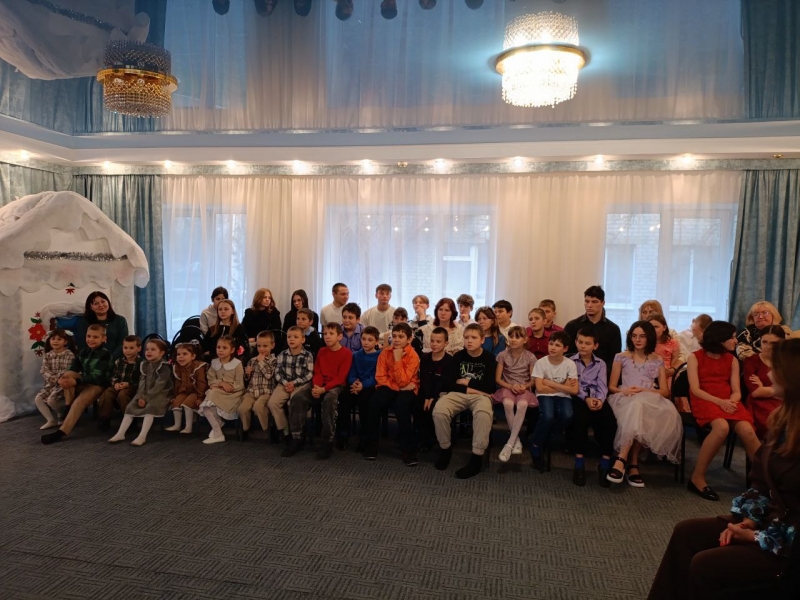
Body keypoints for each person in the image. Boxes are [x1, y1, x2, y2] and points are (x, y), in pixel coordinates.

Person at [646, 338, 800, 600]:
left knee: (705, 566)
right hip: (769, 522)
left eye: (776, 369)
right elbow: (761, 483)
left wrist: (756, 536)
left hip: (787, 547)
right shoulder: (783, 422)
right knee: (686, 533)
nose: (769, 374)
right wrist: (749, 519)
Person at [687, 320, 761, 501]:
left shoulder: (732, 360)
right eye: (732, 337)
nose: (736, 341)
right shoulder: (695, 357)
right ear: (720, 339)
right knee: (721, 427)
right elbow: (695, 389)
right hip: (705, 399)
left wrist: (730, 402)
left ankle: (765, 481)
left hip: (728, 400)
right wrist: (720, 402)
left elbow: (736, 391)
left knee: (747, 430)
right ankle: (697, 478)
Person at [606, 321, 682, 487]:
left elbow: (664, 391)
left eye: (642, 336)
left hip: (648, 397)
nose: (637, 340)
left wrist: (645, 390)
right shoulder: (621, 356)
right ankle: (632, 464)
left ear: (649, 338)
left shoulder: (657, 359)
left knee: (641, 407)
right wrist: (624, 391)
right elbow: (611, 387)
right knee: (636, 407)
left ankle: (622, 459)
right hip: (625, 397)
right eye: (634, 336)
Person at [432, 323, 497, 479]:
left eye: (474, 337)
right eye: (466, 337)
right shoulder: (458, 356)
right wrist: (474, 388)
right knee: (439, 410)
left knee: (483, 414)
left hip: (480, 397)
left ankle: (477, 458)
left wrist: (467, 382)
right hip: (459, 393)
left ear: (482, 340)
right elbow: (449, 383)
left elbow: (490, 387)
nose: (469, 341)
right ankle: (445, 449)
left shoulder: (489, 358)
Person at [284, 323, 352, 460]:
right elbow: (318, 371)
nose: (327, 336)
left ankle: (327, 441)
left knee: (329, 400)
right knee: (298, 397)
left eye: (331, 334)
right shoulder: (322, 351)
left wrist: (323, 389)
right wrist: (317, 387)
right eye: (325, 334)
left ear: (339, 336)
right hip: (319, 384)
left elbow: (341, 377)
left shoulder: (346, 353)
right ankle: (297, 438)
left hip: (335, 385)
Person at [41, 324, 114, 445]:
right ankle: (68, 405)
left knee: (79, 402)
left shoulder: (105, 354)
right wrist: (63, 378)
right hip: (86, 381)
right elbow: (74, 367)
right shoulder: (84, 351)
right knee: (68, 374)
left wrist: (76, 381)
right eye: (89, 336)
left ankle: (62, 431)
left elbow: (97, 377)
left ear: (103, 338)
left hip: (99, 385)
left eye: (95, 337)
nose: (91, 339)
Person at [362, 322, 420, 465]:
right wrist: (398, 387)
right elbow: (380, 377)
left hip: (409, 389)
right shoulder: (385, 352)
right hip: (393, 386)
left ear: (409, 339)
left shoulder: (413, 356)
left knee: (402, 406)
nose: (396, 339)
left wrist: (398, 359)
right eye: (394, 336)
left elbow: (404, 380)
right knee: (374, 402)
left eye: (401, 336)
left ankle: (407, 450)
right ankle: (371, 445)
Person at [570, 327, 617, 487]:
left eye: (587, 343)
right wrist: (586, 398)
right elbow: (574, 385)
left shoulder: (600, 363)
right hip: (579, 397)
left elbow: (603, 385)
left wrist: (600, 400)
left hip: (597, 398)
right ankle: (579, 463)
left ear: (595, 346)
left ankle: (605, 463)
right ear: (576, 342)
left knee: (610, 422)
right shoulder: (570, 362)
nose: (583, 346)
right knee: (580, 420)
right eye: (580, 342)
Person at [108, 339, 173, 446]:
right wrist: (140, 396)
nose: (148, 352)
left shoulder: (164, 367)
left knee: (150, 408)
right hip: (145, 392)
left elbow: (159, 385)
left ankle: (142, 436)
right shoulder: (145, 364)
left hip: (160, 393)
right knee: (130, 406)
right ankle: (120, 433)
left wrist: (146, 398)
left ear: (161, 353)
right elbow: (142, 382)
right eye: (147, 349)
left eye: (153, 349)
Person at [529, 330, 579, 471]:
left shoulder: (570, 364)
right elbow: (539, 387)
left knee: (567, 415)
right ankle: (535, 445)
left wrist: (549, 383)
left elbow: (574, 390)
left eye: (557, 345)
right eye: (551, 344)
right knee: (548, 415)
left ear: (565, 348)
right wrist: (563, 386)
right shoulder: (541, 362)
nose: (553, 347)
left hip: (563, 396)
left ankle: (546, 436)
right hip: (544, 395)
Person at [493, 326, 538, 463]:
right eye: (511, 336)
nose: (513, 339)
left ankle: (509, 444)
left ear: (525, 340)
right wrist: (511, 386)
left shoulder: (530, 357)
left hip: (524, 388)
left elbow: (533, 380)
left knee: (522, 404)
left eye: (517, 337)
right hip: (507, 387)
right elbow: (498, 379)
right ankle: (516, 441)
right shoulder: (502, 355)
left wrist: (524, 386)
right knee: (508, 403)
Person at [266, 326, 315, 444]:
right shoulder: (282, 354)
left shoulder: (307, 355)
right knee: (272, 403)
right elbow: (277, 373)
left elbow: (309, 375)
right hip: (284, 384)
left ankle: (298, 432)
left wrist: (294, 383)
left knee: (293, 403)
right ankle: (285, 430)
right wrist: (285, 383)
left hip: (300, 384)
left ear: (303, 340)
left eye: (295, 337)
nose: (291, 339)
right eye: (289, 337)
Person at [336, 326, 380, 450]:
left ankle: (365, 437)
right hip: (355, 384)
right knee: (344, 397)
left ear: (376, 341)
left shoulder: (379, 356)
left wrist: (362, 385)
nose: (366, 342)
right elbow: (351, 372)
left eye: (370, 340)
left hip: (369, 386)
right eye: (363, 339)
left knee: (365, 401)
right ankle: (343, 435)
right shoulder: (356, 355)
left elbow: (376, 376)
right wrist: (354, 382)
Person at [564, 286, 622, 379]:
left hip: (603, 377)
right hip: (575, 376)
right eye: (587, 301)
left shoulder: (613, 329)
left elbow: (614, 359)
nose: (589, 305)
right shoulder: (572, 326)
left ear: (603, 303)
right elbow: (565, 354)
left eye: (594, 302)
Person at [415, 327, 457, 453]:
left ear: (446, 343)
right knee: (418, 405)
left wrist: (432, 397)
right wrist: (427, 396)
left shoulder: (449, 361)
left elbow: (443, 382)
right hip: (426, 390)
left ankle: (433, 438)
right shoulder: (425, 358)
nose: (434, 344)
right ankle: (420, 435)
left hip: (441, 392)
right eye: (432, 341)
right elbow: (425, 379)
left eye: (438, 342)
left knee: (433, 407)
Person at [199, 336, 245, 445]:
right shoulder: (214, 363)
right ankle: (218, 431)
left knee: (209, 400)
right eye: (218, 347)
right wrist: (221, 383)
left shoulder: (237, 364)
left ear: (232, 350)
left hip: (232, 394)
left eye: (224, 348)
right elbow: (211, 379)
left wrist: (227, 386)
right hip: (218, 391)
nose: (220, 350)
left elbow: (239, 384)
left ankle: (217, 432)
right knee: (207, 406)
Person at [745, 325, 787, 440]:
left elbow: (792, 388)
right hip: (759, 404)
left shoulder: (787, 361)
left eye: (773, 343)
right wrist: (779, 389)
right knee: (777, 425)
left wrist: (764, 388)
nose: (768, 347)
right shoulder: (752, 361)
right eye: (764, 342)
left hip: (784, 403)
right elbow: (756, 392)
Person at [237, 331, 277, 439]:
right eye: (259, 346)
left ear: (272, 345)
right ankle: (246, 428)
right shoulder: (252, 360)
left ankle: (268, 429)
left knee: (258, 407)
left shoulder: (274, 361)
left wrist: (261, 362)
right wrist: (247, 373)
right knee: (242, 408)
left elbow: (269, 375)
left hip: (266, 392)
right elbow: (247, 379)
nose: (261, 349)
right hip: (252, 391)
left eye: (265, 346)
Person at [97, 335, 142, 431]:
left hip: (133, 387)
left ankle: (129, 420)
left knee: (123, 395)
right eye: (125, 348)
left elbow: (141, 380)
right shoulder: (119, 361)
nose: (128, 351)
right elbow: (114, 375)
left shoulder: (141, 363)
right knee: (107, 394)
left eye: (131, 348)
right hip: (119, 385)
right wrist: (116, 383)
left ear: (139, 348)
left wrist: (128, 384)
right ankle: (104, 418)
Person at [33, 329, 76, 430]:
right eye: (53, 339)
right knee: (38, 398)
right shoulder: (48, 355)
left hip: (63, 384)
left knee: (51, 400)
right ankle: (50, 420)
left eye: (59, 339)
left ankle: (61, 414)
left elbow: (67, 371)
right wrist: (53, 378)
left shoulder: (69, 355)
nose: (55, 341)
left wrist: (58, 379)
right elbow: (44, 370)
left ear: (65, 341)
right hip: (51, 383)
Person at [166, 342, 208, 434]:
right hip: (184, 390)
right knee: (176, 402)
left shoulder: (198, 367)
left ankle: (188, 426)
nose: (181, 357)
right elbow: (177, 383)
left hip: (196, 391)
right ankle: (177, 425)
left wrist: (200, 397)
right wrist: (175, 395)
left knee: (187, 403)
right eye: (178, 354)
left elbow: (201, 384)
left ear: (193, 356)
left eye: (185, 354)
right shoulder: (178, 367)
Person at [73, 291, 129, 359]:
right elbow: (82, 345)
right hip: (92, 360)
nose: (101, 305)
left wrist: (111, 359)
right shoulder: (84, 322)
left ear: (108, 302)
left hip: (116, 359)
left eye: (103, 301)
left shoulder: (120, 320)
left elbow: (122, 343)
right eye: (96, 303)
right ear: (90, 307)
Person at [649, 313, 686, 381]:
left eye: (656, 327)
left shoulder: (672, 343)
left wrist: (669, 371)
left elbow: (674, 362)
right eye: (650, 327)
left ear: (664, 328)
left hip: (667, 374)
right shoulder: (645, 343)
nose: (652, 330)